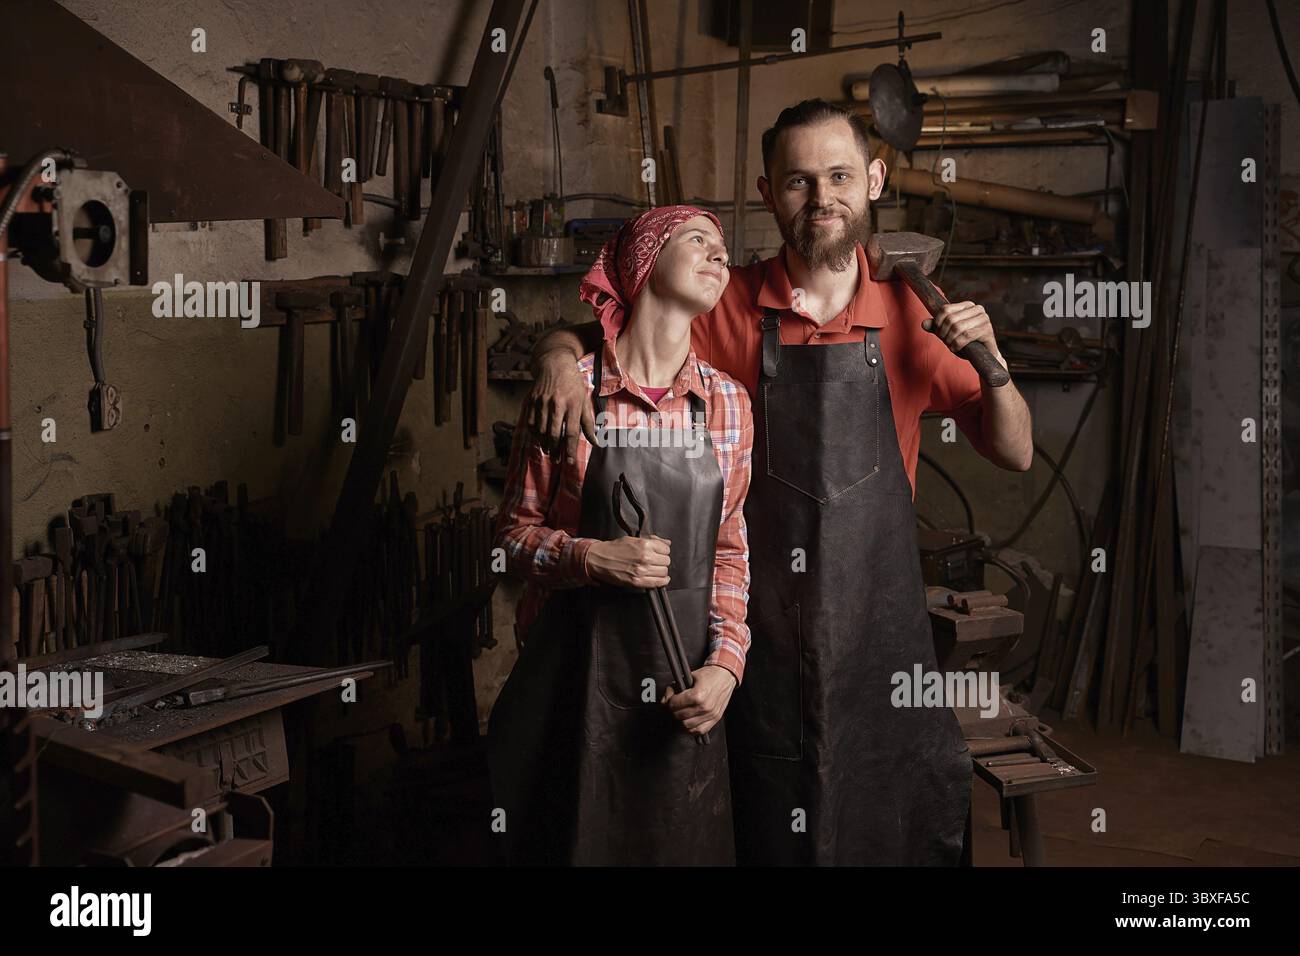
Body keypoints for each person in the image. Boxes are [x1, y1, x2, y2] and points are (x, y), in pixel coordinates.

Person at [525, 100, 1034, 866]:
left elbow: (1017, 451)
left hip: (876, 626)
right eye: (799, 181)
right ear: (769, 193)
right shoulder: (722, 298)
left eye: (838, 177)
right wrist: (558, 360)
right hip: (748, 624)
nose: (821, 198)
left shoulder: (911, 307)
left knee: (884, 813)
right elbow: (610, 326)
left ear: (874, 181)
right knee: (754, 822)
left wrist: (992, 363)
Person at [489, 206, 754, 865]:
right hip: (571, 684)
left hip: (679, 682)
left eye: (724, 249)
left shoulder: (728, 403)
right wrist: (588, 557)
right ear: (644, 260)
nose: (719, 256)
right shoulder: (570, 390)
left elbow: (729, 552)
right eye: (698, 240)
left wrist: (726, 665)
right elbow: (511, 537)